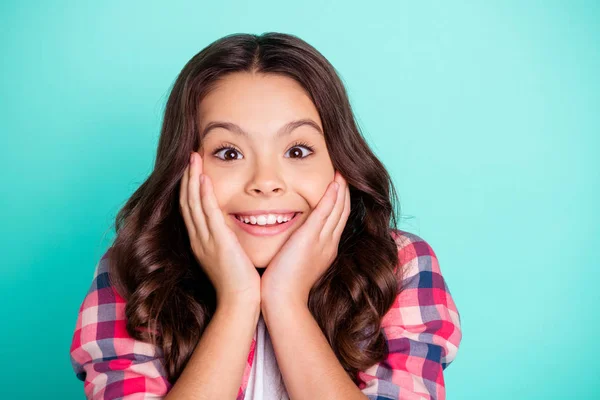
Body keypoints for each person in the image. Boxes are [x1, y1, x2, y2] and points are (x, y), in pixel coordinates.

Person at [69, 32, 462, 400]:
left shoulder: (399, 266)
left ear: (339, 162)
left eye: (297, 151)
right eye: (228, 153)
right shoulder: (137, 271)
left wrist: (286, 300)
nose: (266, 182)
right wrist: (237, 301)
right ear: (185, 168)